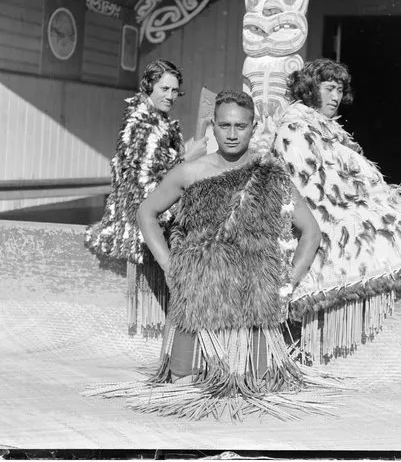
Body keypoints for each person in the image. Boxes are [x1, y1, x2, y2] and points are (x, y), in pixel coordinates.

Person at [86, 90, 338, 420]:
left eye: (240, 126)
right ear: (212, 126)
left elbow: (312, 232)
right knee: (183, 383)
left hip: (253, 300)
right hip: (197, 297)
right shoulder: (190, 172)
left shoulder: (271, 174)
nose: (232, 134)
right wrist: (169, 265)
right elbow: (146, 212)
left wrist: (286, 282)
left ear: (254, 127)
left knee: (261, 386)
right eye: (224, 125)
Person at [268, 58, 401, 361]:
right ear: (309, 89)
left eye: (340, 90)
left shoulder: (326, 129)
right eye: (329, 88)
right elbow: (312, 185)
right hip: (316, 220)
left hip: (341, 209)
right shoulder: (295, 129)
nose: (335, 97)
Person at [85, 59, 207, 337]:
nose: (170, 96)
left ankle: (167, 330)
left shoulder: (158, 121)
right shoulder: (142, 124)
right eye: (164, 88)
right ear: (149, 85)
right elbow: (148, 182)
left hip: (153, 215)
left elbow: (161, 167)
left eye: (175, 91)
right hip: (143, 221)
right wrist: (189, 158)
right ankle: (165, 332)